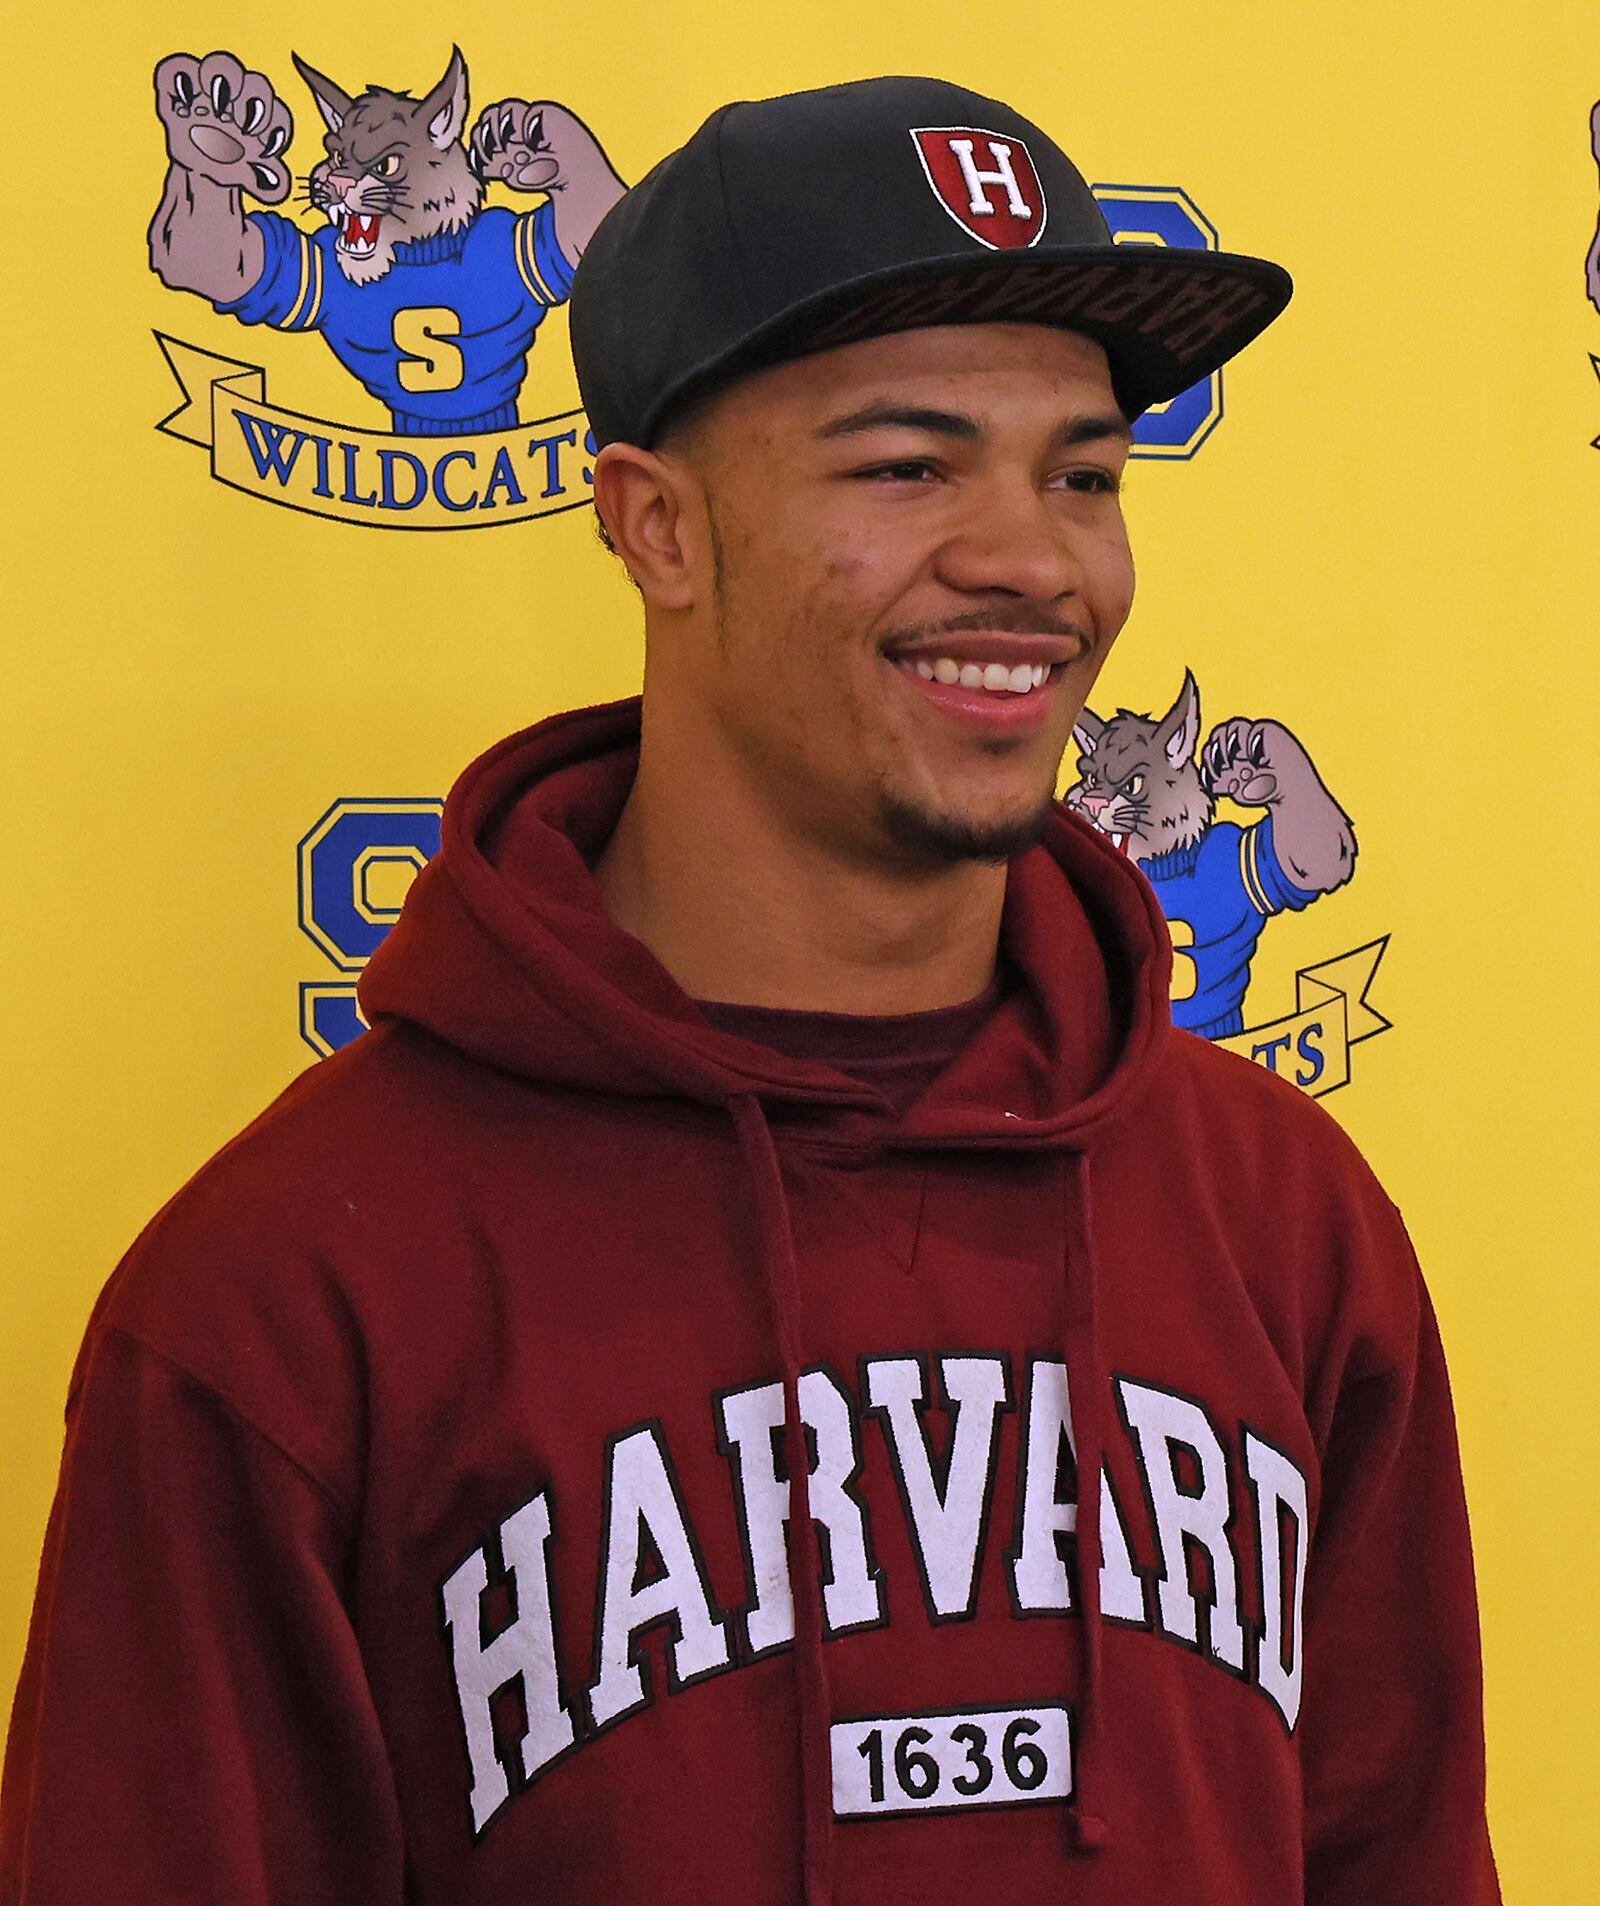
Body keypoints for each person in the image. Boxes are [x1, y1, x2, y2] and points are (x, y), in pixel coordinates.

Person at [0, 76, 1498, 1906]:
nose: (1033, 559)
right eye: (908, 464)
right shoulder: (295, 1299)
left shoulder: (1282, 1218)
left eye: (1084, 476)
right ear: (657, 530)